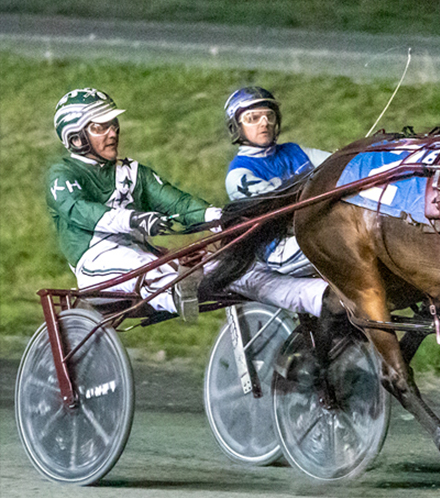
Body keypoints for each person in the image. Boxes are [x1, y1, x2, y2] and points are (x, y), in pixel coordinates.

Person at [46, 87, 327, 322]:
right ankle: (178, 292)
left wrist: (221, 218)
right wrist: (134, 219)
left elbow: (176, 201)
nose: (112, 133)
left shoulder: (132, 172)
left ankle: (320, 298)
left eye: (113, 124)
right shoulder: (63, 174)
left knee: (239, 267)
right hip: (97, 261)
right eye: (100, 127)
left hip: (149, 254)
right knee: (149, 267)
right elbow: (79, 210)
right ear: (75, 136)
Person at [223, 86, 331, 278]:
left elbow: (339, 165)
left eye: (269, 116)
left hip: (316, 227)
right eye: (253, 118)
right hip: (280, 248)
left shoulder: (294, 151)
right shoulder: (239, 176)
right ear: (237, 126)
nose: (264, 123)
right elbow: (281, 207)